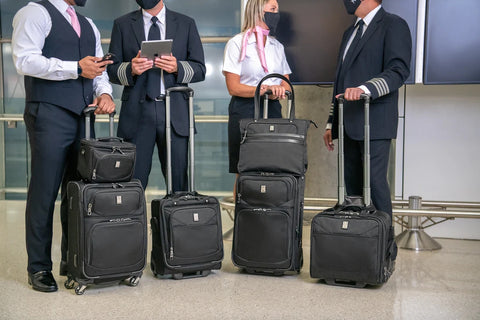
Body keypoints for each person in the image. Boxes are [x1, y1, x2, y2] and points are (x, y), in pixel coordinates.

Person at [12, 0, 115, 292]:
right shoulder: (35, 12)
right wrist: (74, 68)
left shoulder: (89, 24)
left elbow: (99, 70)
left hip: (83, 117)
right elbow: (24, 60)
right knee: (44, 193)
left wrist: (105, 94)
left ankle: (72, 260)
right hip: (48, 113)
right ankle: (39, 267)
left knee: (76, 193)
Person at [323, 0, 411, 217]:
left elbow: (398, 70)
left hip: (375, 122)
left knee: (375, 184)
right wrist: (331, 123)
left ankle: (384, 245)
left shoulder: (393, 25)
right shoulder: (349, 32)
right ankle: (358, 242)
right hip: (347, 123)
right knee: (351, 190)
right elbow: (340, 82)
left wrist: (365, 89)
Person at [107, 0, 205, 192]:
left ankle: (174, 221)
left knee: (178, 182)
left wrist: (177, 67)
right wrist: (131, 69)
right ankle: (132, 221)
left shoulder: (186, 23)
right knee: (132, 182)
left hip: (174, 111)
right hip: (137, 113)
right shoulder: (122, 24)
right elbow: (111, 70)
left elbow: (200, 69)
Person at [222, 0, 291, 188]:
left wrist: (278, 91)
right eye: (273, 9)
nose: (277, 13)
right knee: (245, 171)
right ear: (258, 10)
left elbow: (287, 85)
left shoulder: (277, 46)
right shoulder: (237, 43)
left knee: (275, 167)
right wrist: (264, 89)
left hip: (273, 110)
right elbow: (233, 87)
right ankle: (243, 217)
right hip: (245, 110)